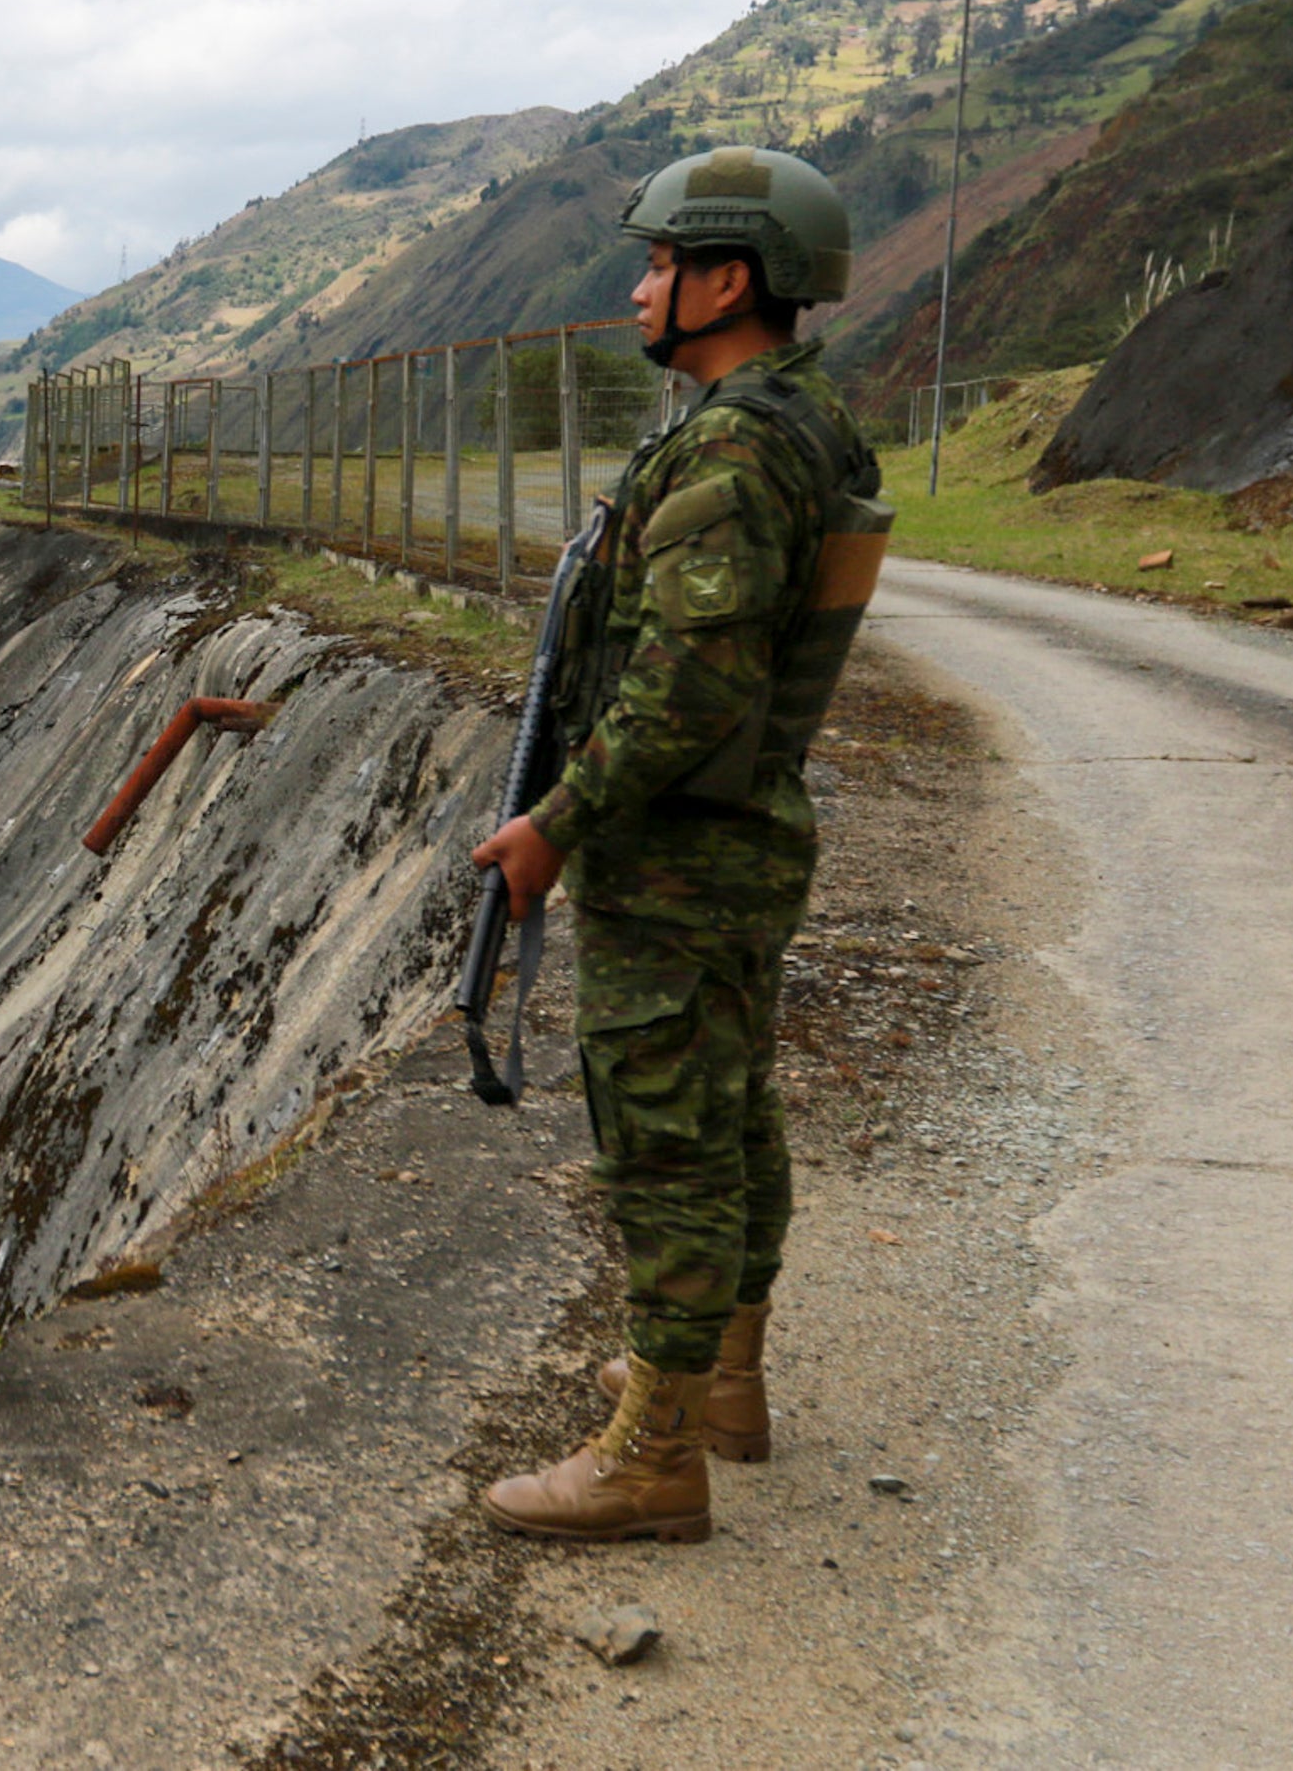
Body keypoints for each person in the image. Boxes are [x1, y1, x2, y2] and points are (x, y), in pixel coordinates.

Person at [468, 145, 892, 1544]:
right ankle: (724, 1380)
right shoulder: (800, 417)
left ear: (731, 278)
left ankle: (656, 1449)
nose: (640, 287)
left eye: (661, 264)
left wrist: (552, 825)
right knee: (732, 1103)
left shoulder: (732, 447)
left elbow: (682, 686)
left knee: (665, 1136)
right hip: (741, 834)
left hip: (680, 847)